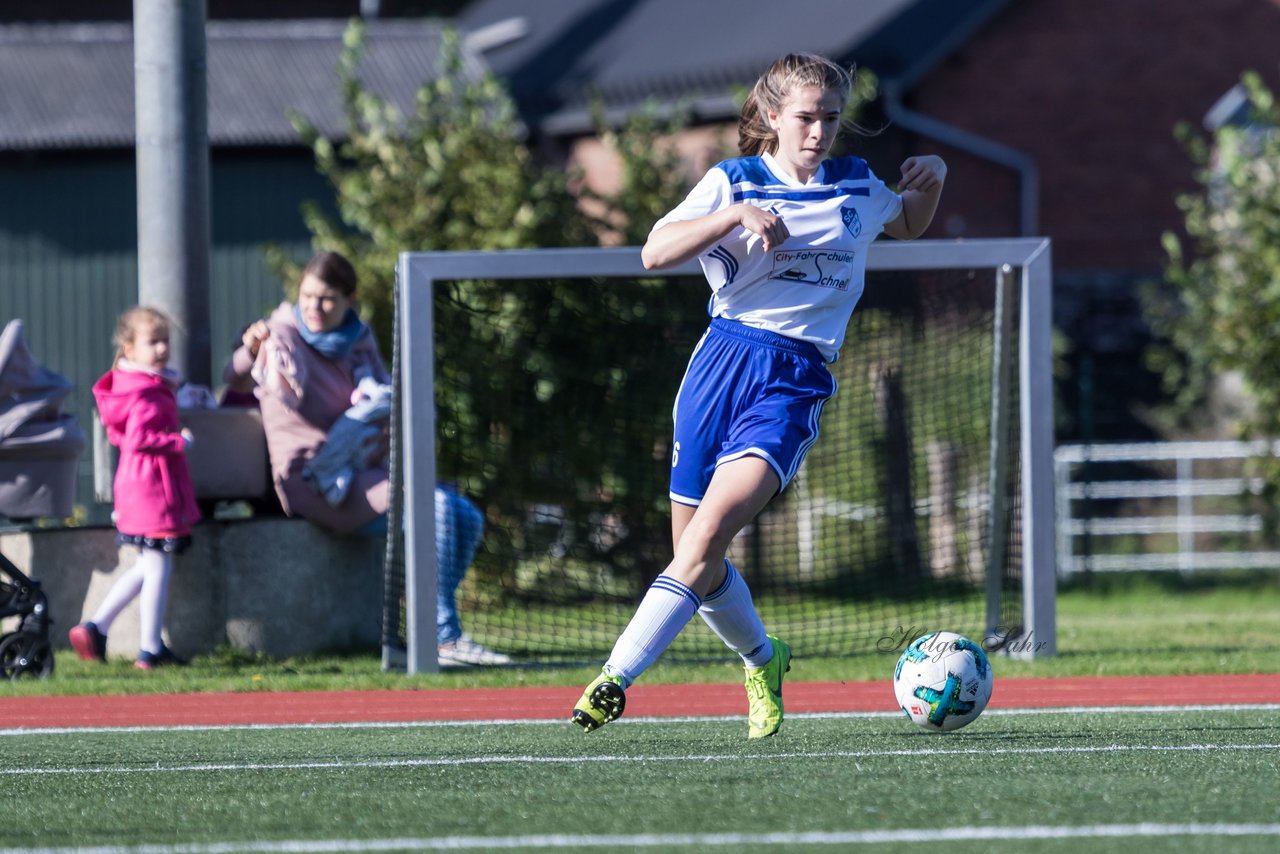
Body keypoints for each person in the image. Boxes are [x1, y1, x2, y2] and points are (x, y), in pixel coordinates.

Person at [570, 53, 946, 738]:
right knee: (695, 555)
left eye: (832, 118)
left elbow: (910, 222)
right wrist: (733, 215)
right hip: (719, 365)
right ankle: (764, 662)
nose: (819, 131)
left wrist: (935, 180)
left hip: (793, 380)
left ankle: (613, 678)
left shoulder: (856, 184)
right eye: (806, 117)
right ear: (772, 117)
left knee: (708, 538)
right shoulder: (733, 180)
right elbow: (653, 254)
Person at [221, 251, 509, 666]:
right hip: (316, 480)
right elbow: (235, 375)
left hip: (366, 473)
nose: (315, 308)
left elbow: (385, 400)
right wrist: (250, 348)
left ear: (348, 300)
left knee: (466, 516)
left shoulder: (359, 339)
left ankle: (432, 627)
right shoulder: (280, 334)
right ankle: (443, 640)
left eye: (327, 299)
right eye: (308, 296)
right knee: (438, 509)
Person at [70, 306, 200, 670]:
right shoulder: (146, 391)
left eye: (165, 341)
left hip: (138, 485)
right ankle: (149, 649)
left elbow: (118, 433)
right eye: (153, 342)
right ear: (129, 348)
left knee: (148, 563)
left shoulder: (132, 388)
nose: (162, 349)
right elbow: (140, 438)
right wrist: (178, 442)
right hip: (153, 487)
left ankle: (96, 627)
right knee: (159, 565)